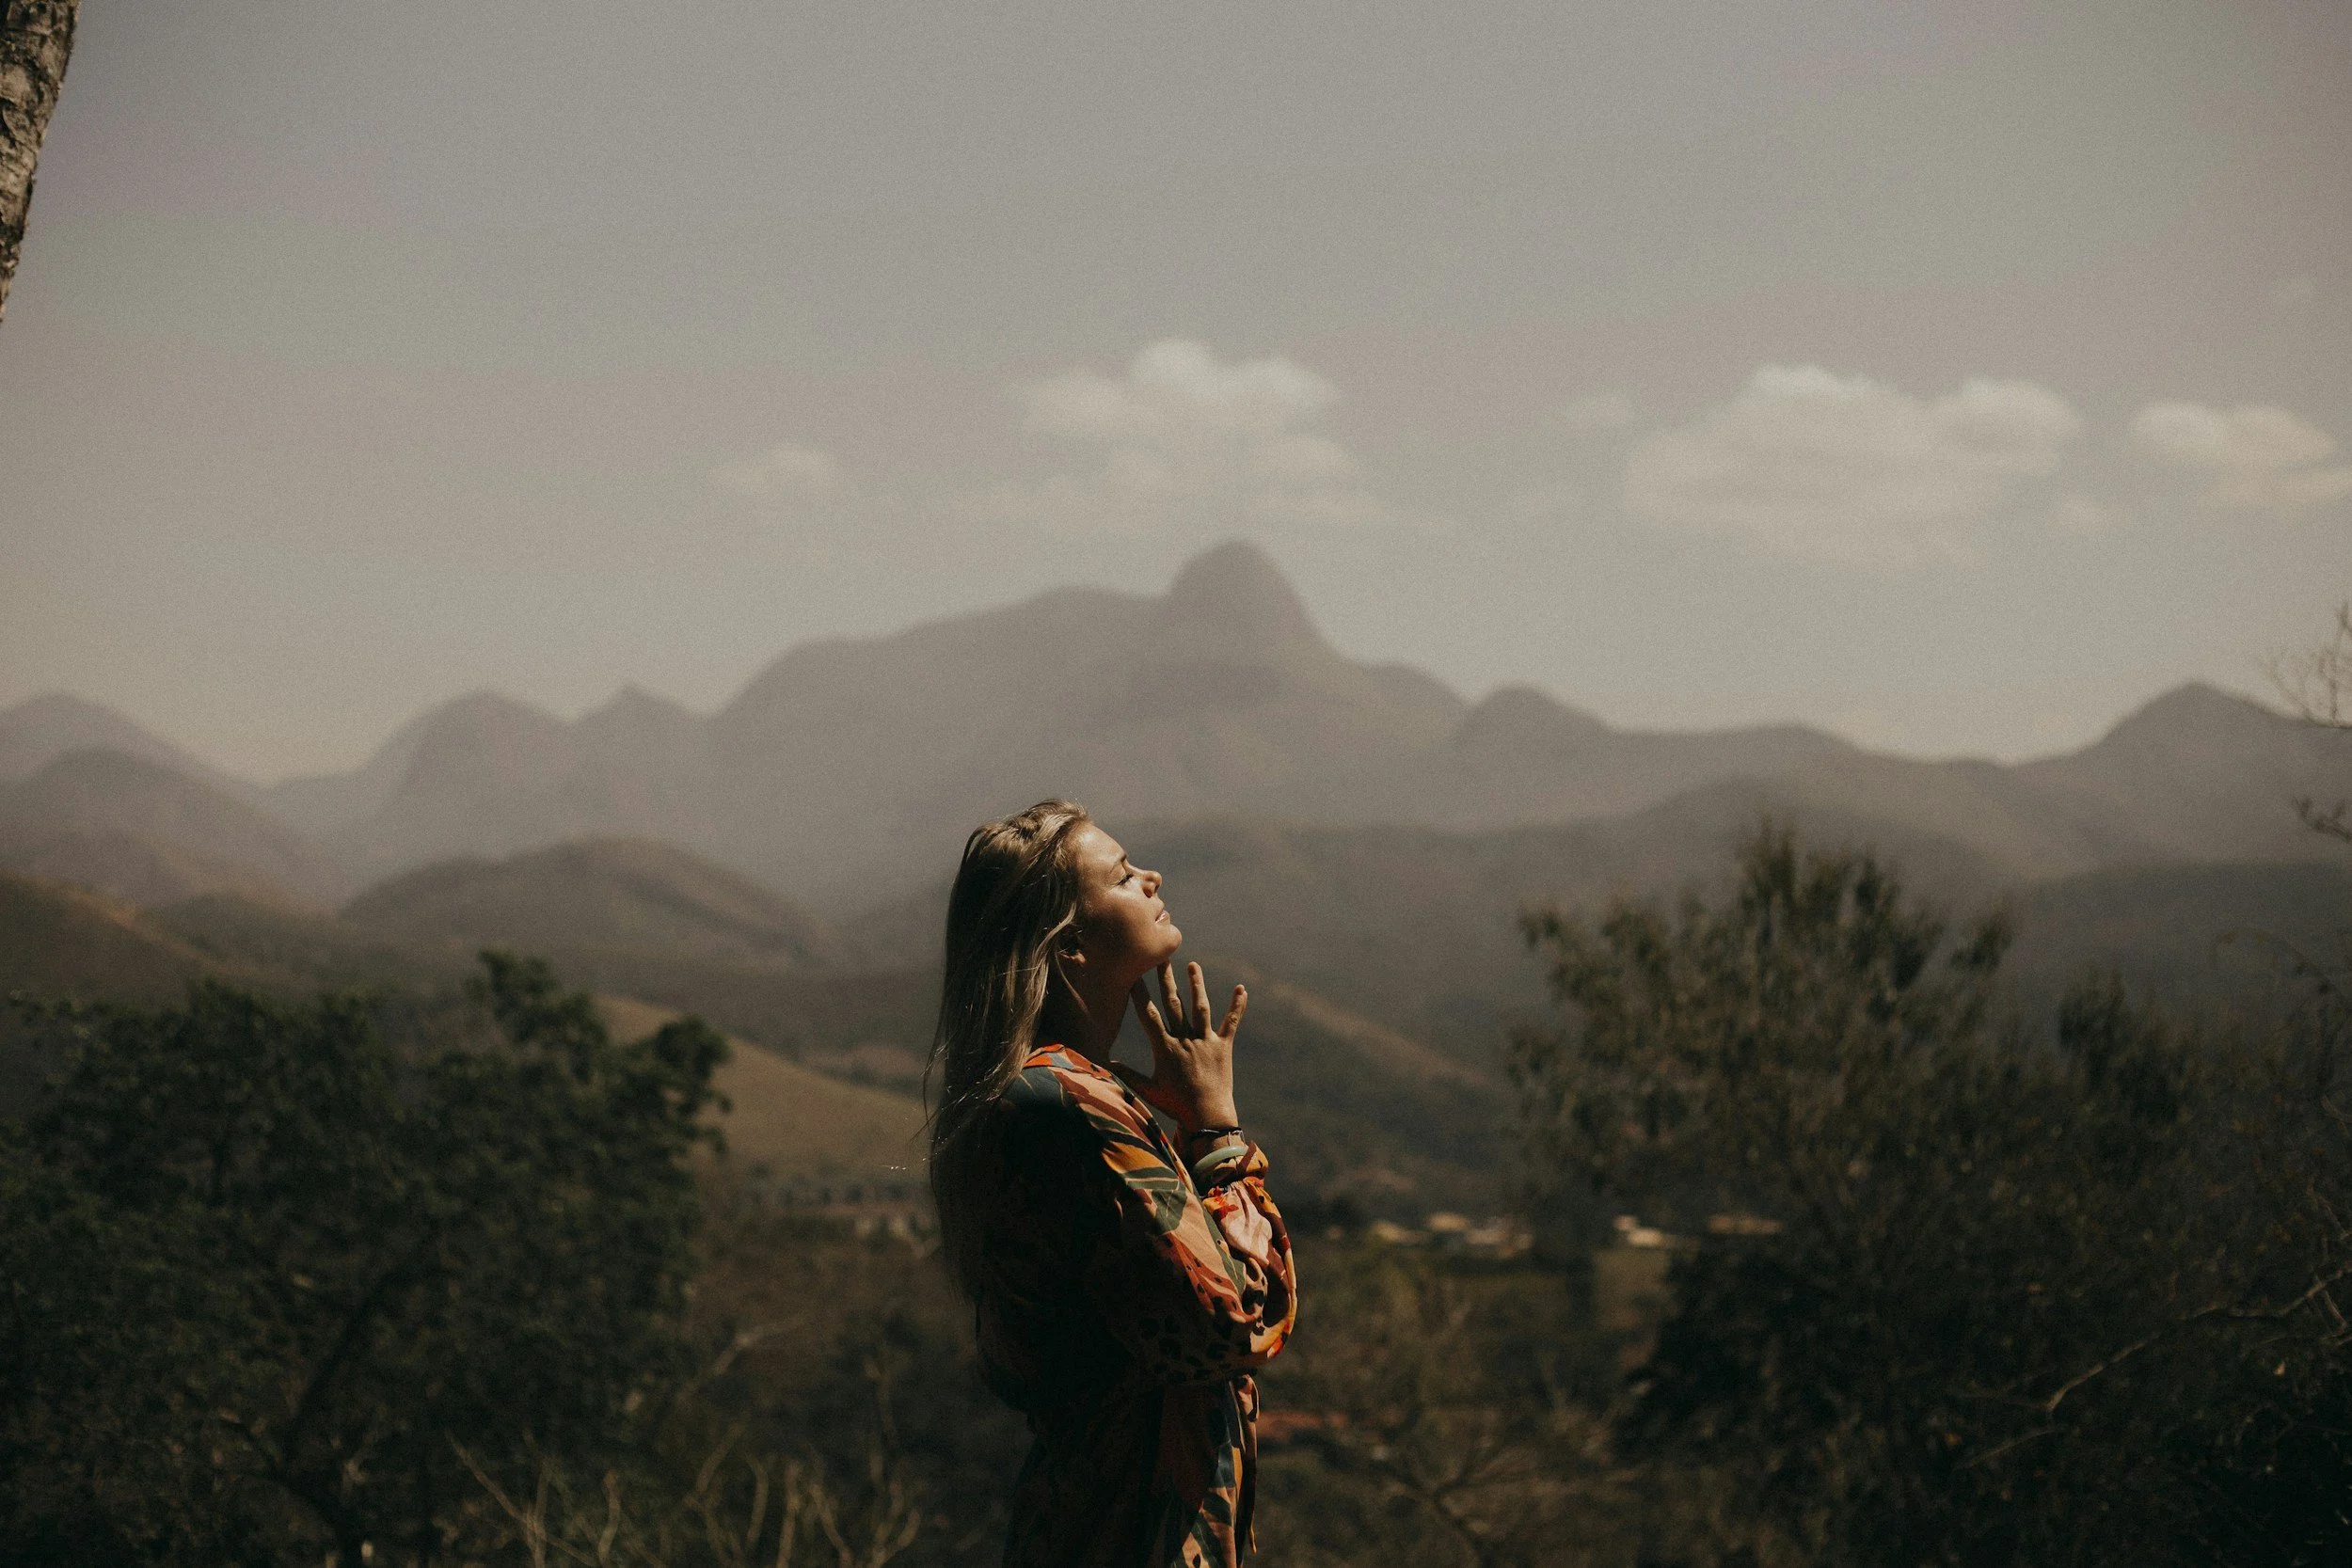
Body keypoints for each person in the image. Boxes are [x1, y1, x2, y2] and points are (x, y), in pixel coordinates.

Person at [926, 800, 1297, 1567]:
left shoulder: (1061, 1098)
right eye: (1124, 875)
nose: (1153, 876)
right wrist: (1220, 1135)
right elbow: (1235, 1320)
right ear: (1068, 949)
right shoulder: (1063, 1104)